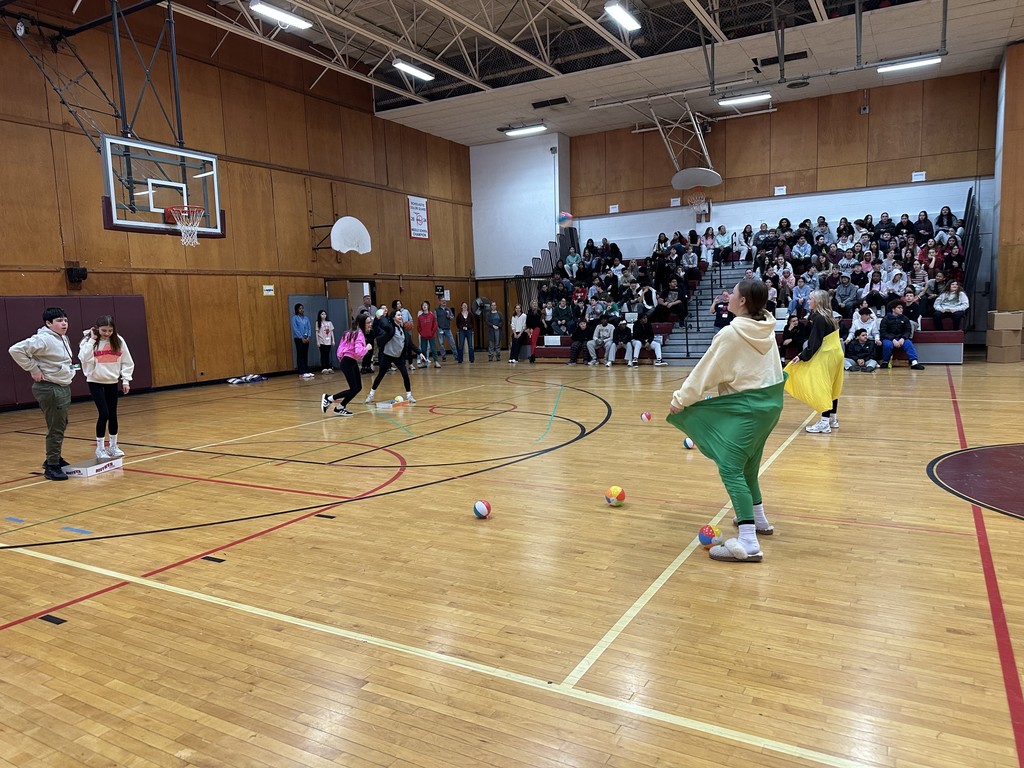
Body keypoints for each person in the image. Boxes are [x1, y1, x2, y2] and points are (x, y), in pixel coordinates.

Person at [667, 279, 785, 563]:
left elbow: (705, 370)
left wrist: (680, 399)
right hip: (770, 403)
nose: (728, 296)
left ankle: (748, 542)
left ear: (742, 301)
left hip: (747, 407)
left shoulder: (732, 333)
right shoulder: (766, 327)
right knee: (748, 465)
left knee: (731, 469)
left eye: (732, 293)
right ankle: (758, 520)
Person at [9, 308, 78, 480]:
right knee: (56, 427)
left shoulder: (62, 337)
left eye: (65, 320)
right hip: (50, 387)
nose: (64, 324)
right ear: (48, 323)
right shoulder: (43, 339)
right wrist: (33, 369)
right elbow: (15, 350)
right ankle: (52, 466)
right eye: (59, 321)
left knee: (60, 424)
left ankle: (54, 458)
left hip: (62, 385)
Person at [787, 289, 844, 435]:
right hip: (836, 353)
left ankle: (824, 423)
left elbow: (814, 343)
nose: (808, 301)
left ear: (817, 301)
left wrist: (801, 356)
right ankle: (832, 418)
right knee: (832, 386)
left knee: (822, 386)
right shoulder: (830, 316)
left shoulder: (819, 318)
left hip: (827, 354)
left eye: (810, 298)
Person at [79, 315, 135, 460]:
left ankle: (114, 446)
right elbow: (84, 358)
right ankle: (100, 448)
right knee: (103, 413)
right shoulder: (88, 341)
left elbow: (127, 361)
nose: (107, 333)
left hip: (112, 381)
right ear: (97, 328)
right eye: (104, 330)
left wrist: (126, 380)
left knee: (112, 414)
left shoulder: (118, 340)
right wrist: (92, 339)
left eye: (110, 331)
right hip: (95, 381)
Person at [321, 314, 371, 416]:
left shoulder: (349, 332)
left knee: (358, 388)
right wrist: (367, 348)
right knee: (353, 388)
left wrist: (341, 358)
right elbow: (358, 352)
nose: (370, 324)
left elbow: (341, 348)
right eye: (368, 322)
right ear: (362, 323)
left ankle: (340, 407)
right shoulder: (358, 334)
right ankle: (329, 398)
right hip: (348, 362)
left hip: (349, 361)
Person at [364, 305, 416, 404]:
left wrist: (420, 352)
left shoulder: (402, 329)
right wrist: (380, 316)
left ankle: (409, 396)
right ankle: (371, 395)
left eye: (401, 315)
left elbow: (411, 344)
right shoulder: (390, 327)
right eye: (398, 315)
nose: (401, 317)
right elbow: (383, 325)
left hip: (398, 356)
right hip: (387, 355)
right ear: (393, 318)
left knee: (405, 374)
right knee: (380, 375)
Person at [879, 300, 925, 370]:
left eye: (902, 308)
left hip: (901, 337)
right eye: (899, 308)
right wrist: (893, 339)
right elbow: (883, 332)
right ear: (893, 309)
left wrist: (903, 338)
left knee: (909, 344)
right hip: (889, 338)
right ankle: (885, 361)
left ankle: (914, 362)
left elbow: (907, 330)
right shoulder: (885, 319)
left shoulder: (905, 318)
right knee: (887, 345)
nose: (901, 309)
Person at [291, 303, 314, 379]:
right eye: (300, 308)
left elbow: (309, 327)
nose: (302, 310)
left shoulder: (306, 318)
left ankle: (306, 370)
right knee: (300, 354)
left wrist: (308, 336)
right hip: (298, 338)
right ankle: (301, 371)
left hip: (306, 338)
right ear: (297, 310)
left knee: (305, 354)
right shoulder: (294, 318)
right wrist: (301, 338)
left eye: (302, 308)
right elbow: (295, 329)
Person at [434, 298, 456, 362]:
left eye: (445, 301)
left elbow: (452, 318)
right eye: (442, 301)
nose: (444, 302)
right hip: (440, 329)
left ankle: (456, 356)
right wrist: (438, 328)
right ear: (439, 302)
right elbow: (435, 320)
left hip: (448, 329)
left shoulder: (448, 309)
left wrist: (449, 317)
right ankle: (443, 357)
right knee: (441, 344)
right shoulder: (436, 310)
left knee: (452, 343)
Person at [315, 310, 335, 375]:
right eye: (322, 314)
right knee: (322, 354)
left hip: (328, 340)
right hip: (321, 340)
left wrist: (333, 340)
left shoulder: (329, 322)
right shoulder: (318, 322)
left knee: (327, 354)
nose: (324, 315)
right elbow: (317, 332)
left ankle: (328, 367)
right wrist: (317, 341)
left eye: (325, 314)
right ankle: (323, 368)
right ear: (319, 315)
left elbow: (331, 332)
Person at [525, 299, 544, 363]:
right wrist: (528, 328)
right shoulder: (529, 311)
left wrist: (532, 328)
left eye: (535, 304)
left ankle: (532, 356)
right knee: (531, 341)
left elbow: (537, 322)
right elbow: (528, 321)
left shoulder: (538, 312)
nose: (535, 305)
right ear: (531, 305)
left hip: (536, 328)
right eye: (533, 304)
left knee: (533, 341)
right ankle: (532, 355)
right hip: (530, 328)